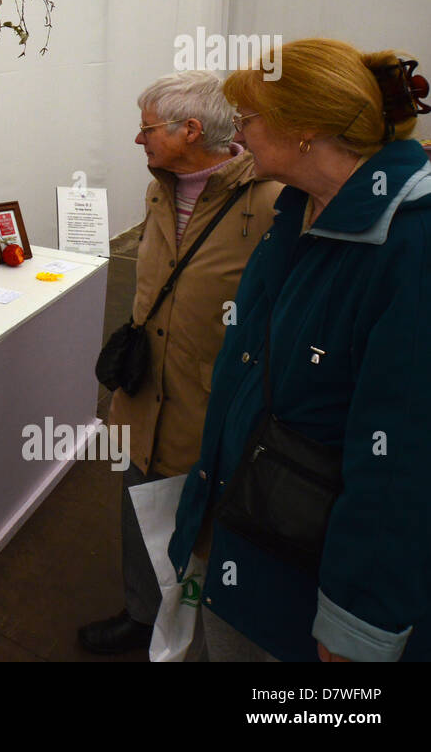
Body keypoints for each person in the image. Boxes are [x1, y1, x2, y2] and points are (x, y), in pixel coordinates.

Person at [169, 39, 431, 661]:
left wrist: (356, 624)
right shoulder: (300, 207)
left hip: (309, 586)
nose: (238, 135)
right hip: (248, 533)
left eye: (249, 120)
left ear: (305, 130)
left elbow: (401, 460)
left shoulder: (409, 247)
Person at [78, 71, 280, 655]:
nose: (137, 141)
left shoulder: (270, 198)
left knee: (211, 525)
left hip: (213, 397)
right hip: (145, 388)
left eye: (146, 128)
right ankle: (141, 615)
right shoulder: (159, 186)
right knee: (140, 505)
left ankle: (209, 632)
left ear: (191, 131)